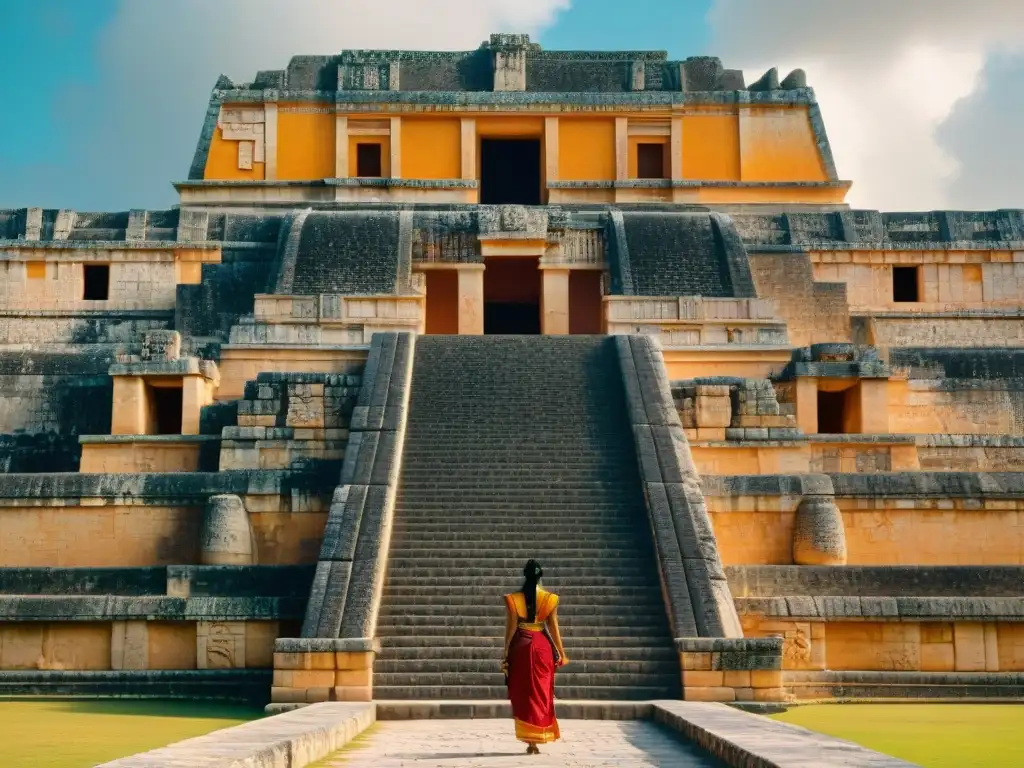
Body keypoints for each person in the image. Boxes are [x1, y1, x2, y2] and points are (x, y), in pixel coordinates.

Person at [502, 559, 568, 755]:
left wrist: (505, 652)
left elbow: (511, 628)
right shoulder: (550, 599)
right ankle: (538, 736)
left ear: (525, 575)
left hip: (521, 646)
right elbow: (553, 628)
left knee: (524, 693)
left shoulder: (513, 599)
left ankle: (530, 740)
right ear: (541, 576)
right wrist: (562, 654)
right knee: (541, 692)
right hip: (542, 647)